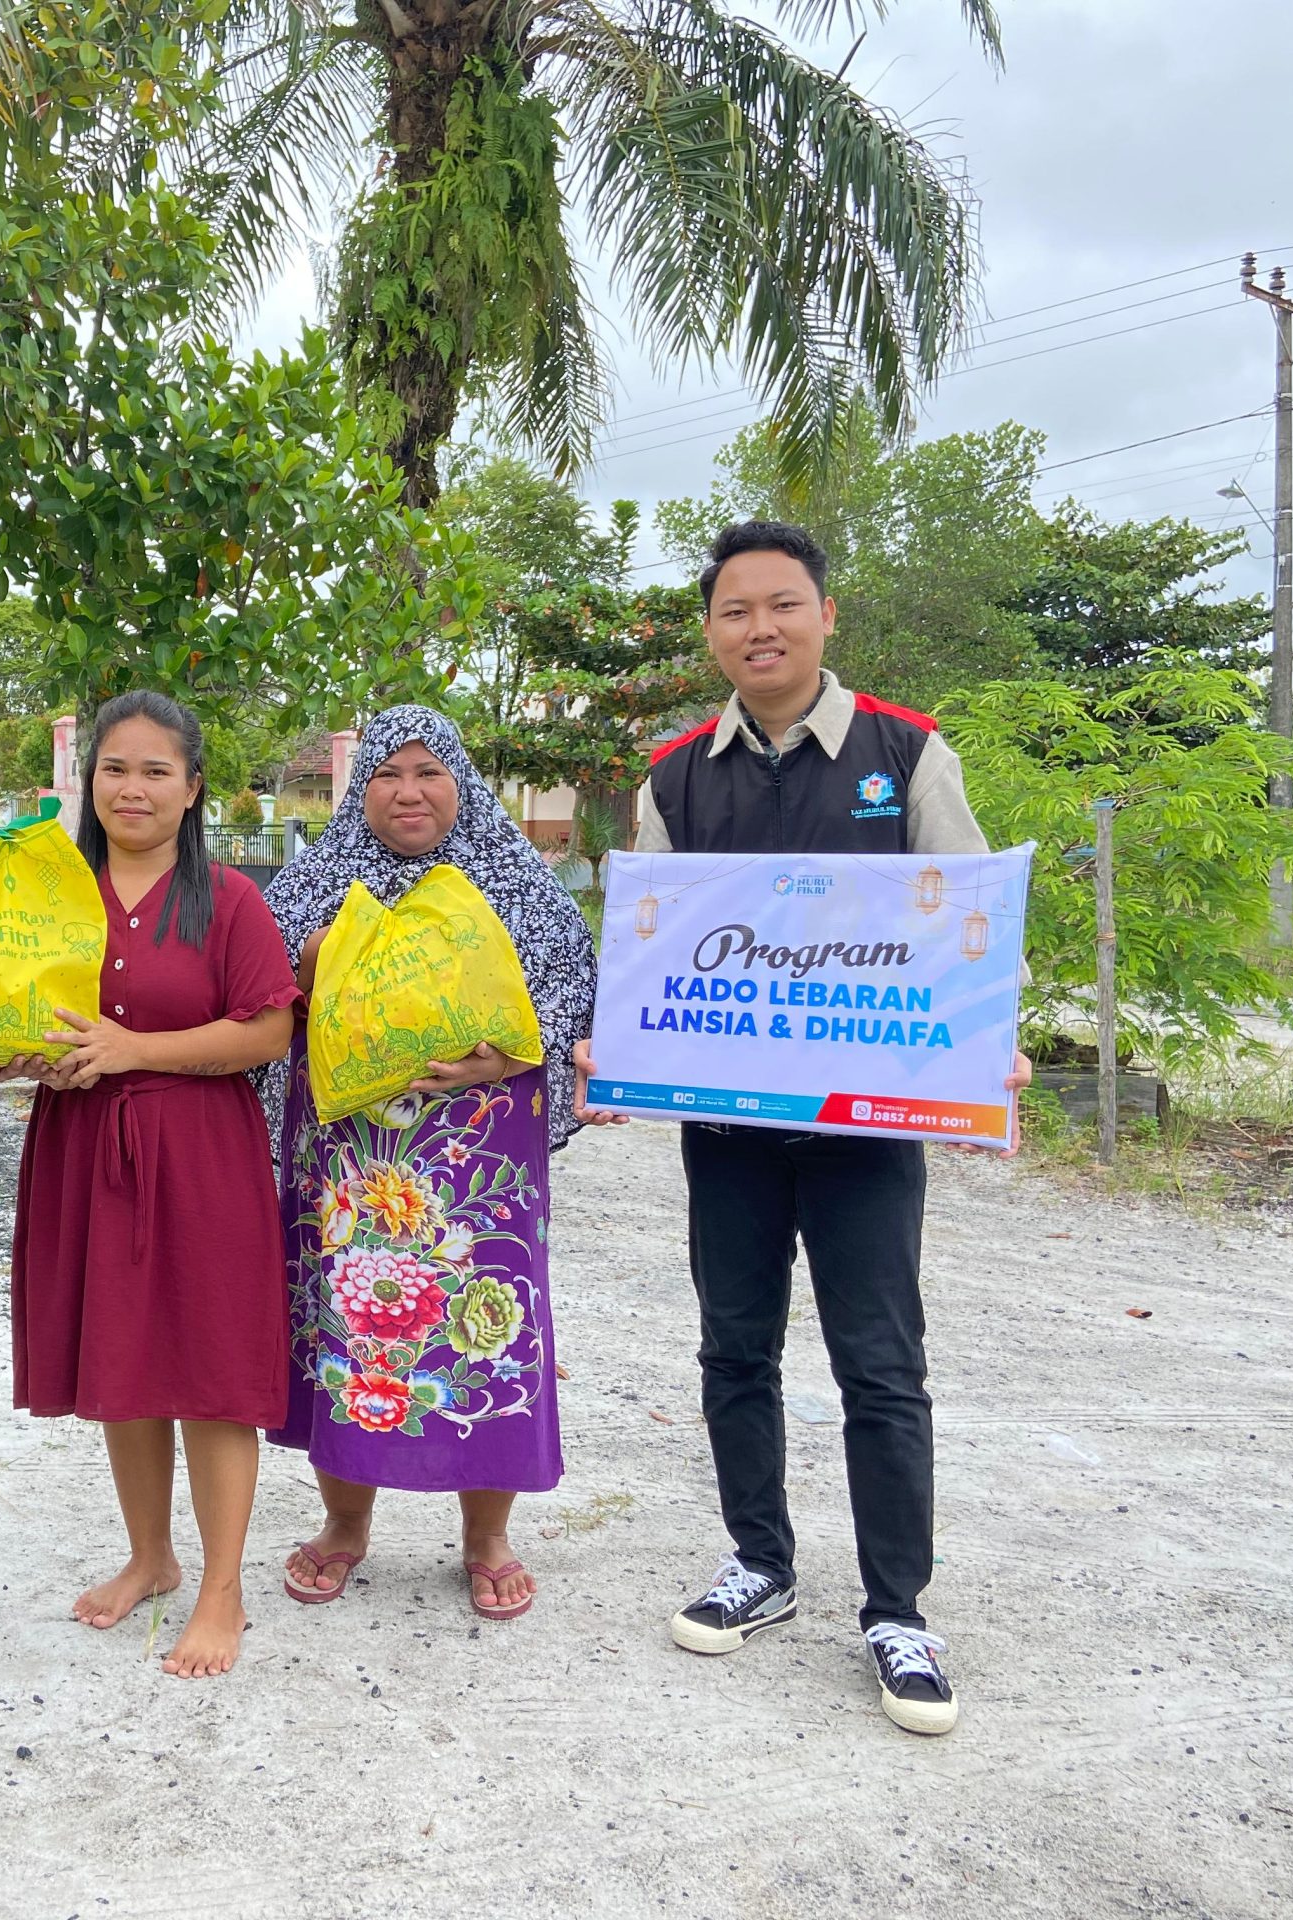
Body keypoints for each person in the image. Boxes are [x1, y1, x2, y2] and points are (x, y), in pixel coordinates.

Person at [575, 518, 1030, 1737]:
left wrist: (988, 1040)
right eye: (734, 610)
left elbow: (968, 924)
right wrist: (619, 1044)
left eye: (782, 604)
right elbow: (654, 954)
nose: (759, 628)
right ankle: (759, 1563)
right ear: (710, 632)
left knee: (879, 1365)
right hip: (726, 1132)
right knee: (733, 1350)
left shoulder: (905, 752)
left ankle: (897, 1611)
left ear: (826, 616)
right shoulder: (675, 777)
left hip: (865, 1132)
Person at [258, 706, 609, 1621]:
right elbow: (257, 994)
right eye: (386, 773)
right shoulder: (315, 883)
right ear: (359, 790)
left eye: (429, 773)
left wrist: (509, 1054)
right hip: (350, 1162)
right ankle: (345, 1523)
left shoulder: (520, 886)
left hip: (480, 1159)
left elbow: (570, 1002)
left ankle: (487, 1536)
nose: (407, 792)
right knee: (348, 1325)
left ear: (462, 785)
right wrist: (319, 958)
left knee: (487, 1324)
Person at [0, 691, 299, 1680]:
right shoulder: (52, 896)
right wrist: (13, 1055)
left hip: (200, 1152)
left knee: (211, 1369)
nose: (133, 788)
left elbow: (268, 1030)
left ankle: (222, 1587)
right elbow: (14, 1010)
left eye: (156, 771)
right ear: (90, 782)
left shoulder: (231, 901)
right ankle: (150, 1557)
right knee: (121, 1359)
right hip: (84, 1147)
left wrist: (134, 1049)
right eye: (115, 768)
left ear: (192, 788)